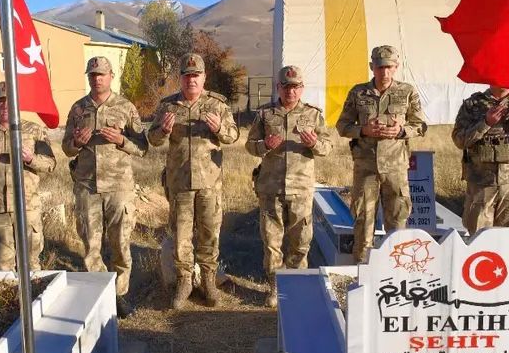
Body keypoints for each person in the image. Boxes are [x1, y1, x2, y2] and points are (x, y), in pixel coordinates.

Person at [148, 52, 239, 308]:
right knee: (181, 237)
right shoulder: (168, 106)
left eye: (196, 75)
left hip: (209, 183)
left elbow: (233, 136)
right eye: (187, 76)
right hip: (180, 184)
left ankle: (208, 281)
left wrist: (219, 128)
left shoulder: (217, 105)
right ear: (181, 78)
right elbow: (152, 140)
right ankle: (184, 282)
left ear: (204, 77)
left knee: (209, 234)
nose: (191, 80)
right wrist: (163, 130)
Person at [62, 56, 148, 317]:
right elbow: (66, 148)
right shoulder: (78, 109)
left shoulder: (125, 107)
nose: (97, 79)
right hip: (87, 186)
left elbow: (142, 147)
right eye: (92, 75)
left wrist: (122, 140)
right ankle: (102, 295)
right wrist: (77, 143)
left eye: (101, 74)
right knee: (91, 244)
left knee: (121, 243)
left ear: (111, 76)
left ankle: (120, 295)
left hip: (119, 187)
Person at [246, 65, 332, 307]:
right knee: (271, 242)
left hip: (300, 188)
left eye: (295, 87)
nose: (290, 91)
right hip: (270, 188)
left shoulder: (313, 115)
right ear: (278, 88)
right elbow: (250, 145)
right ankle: (275, 287)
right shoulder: (265, 114)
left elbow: (328, 147)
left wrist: (314, 144)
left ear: (302, 88)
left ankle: (297, 285)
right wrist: (264, 145)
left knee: (301, 241)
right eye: (286, 87)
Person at [334, 45, 427, 263]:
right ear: (371, 67)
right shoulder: (358, 93)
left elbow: (420, 125)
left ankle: (396, 268)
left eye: (389, 67)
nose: (384, 72)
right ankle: (363, 266)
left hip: (395, 168)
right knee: (363, 219)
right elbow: (342, 126)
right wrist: (363, 130)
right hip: (366, 167)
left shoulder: (407, 92)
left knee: (397, 220)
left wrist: (401, 131)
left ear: (396, 67)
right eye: (379, 67)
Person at [0, 85, 56, 270]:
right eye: (1, 101)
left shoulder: (34, 131)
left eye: (10, 100)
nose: (5, 105)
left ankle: (33, 290)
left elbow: (50, 164)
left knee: (31, 265)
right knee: (2, 266)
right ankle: (9, 291)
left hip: (27, 207)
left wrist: (31, 158)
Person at [451, 85, 509, 232]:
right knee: (478, 236)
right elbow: (459, 140)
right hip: (481, 183)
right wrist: (486, 123)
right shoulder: (473, 105)